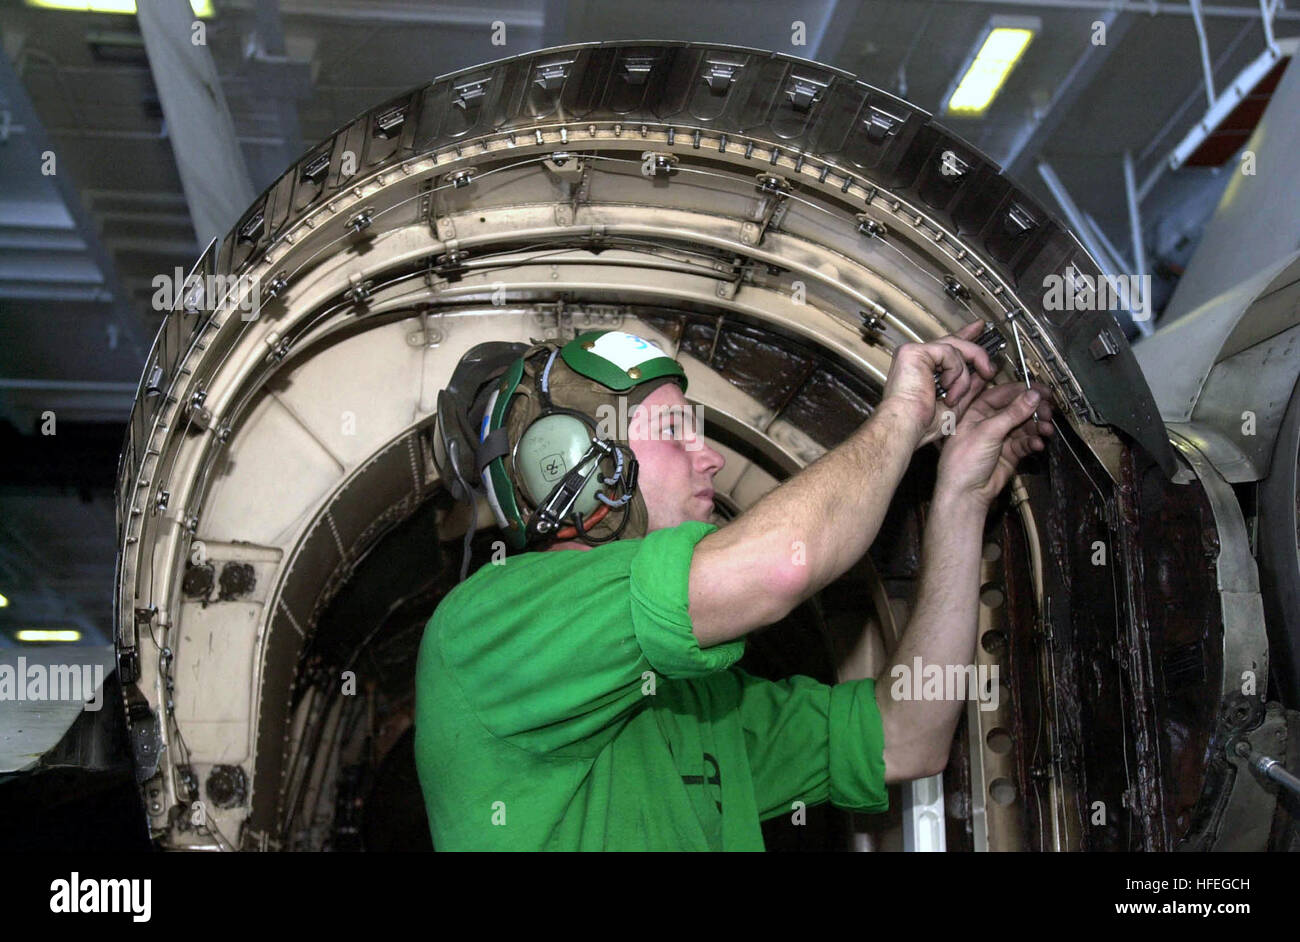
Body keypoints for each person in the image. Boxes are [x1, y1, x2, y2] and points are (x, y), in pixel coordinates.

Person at [415, 324, 1054, 850]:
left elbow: (904, 737)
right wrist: (905, 417)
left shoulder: (700, 702)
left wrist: (962, 498)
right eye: (673, 432)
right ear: (571, 463)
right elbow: (782, 567)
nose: (711, 457)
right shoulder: (490, 625)